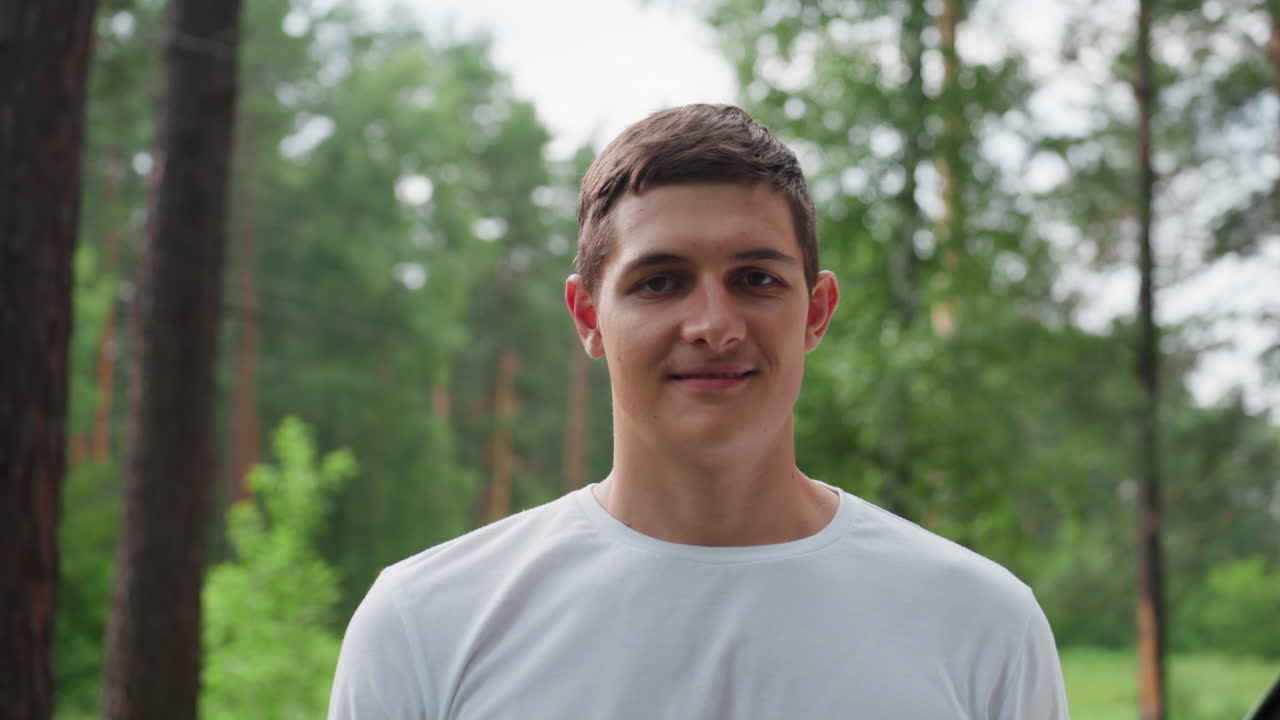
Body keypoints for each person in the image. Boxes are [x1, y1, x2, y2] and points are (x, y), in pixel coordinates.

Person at [327, 103, 1070, 719]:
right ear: (587, 316)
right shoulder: (427, 621)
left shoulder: (981, 625)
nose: (713, 324)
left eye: (755, 278)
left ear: (816, 312)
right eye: (659, 282)